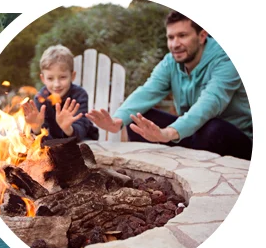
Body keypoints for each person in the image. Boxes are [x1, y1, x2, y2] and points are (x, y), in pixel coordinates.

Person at [86, 11, 252, 160]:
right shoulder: (171, 61)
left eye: (182, 35)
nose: (175, 44)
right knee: (138, 118)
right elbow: (147, 91)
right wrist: (117, 120)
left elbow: (210, 103)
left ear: (202, 36)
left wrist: (168, 133)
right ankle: (153, 178)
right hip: (194, 134)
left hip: (234, 140)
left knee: (213, 128)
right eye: (171, 37)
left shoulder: (227, 59)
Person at [22, 45, 99, 141]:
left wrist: (68, 128)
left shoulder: (79, 95)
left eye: (62, 77)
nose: (56, 84)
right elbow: (42, 139)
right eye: (50, 78)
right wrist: (36, 128)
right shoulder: (41, 98)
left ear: (72, 76)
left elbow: (82, 128)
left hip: (83, 142)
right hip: (55, 145)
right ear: (43, 79)